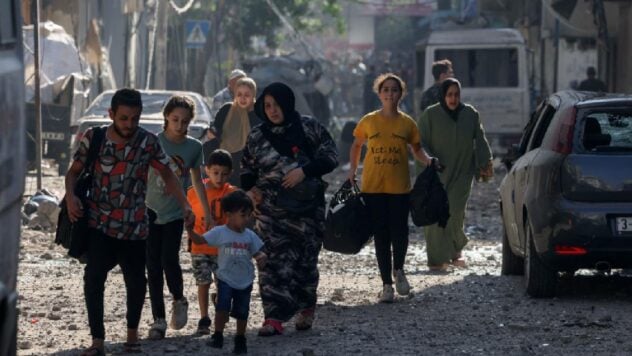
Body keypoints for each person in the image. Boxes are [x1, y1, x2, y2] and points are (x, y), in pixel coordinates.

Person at [64, 88, 194, 356]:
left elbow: (168, 174)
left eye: (135, 119)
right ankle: (97, 341)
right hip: (100, 224)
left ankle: (132, 338)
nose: (129, 125)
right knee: (93, 278)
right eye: (124, 118)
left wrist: (185, 205)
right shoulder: (95, 137)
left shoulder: (147, 142)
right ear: (111, 114)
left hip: (135, 226)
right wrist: (70, 197)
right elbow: (73, 173)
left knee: (136, 282)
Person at [241, 82, 338, 336]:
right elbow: (247, 169)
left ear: (287, 103)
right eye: (267, 106)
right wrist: (251, 191)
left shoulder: (309, 127)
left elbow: (330, 157)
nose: (272, 110)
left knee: (304, 262)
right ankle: (273, 317)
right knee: (270, 262)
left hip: (307, 210)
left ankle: (306, 307)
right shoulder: (257, 135)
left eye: (277, 105)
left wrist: (304, 171)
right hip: (270, 211)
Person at [348, 73, 437, 303]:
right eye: (386, 89)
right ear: (379, 94)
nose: (390, 93)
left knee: (400, 232)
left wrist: (429, 160)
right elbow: (357, 145)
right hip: (373, 187)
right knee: (380, 235)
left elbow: (416, 150)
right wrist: (352, 171)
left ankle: (399, 270)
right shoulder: (368, 121)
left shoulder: (407, 123)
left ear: (401, 94)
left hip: (399, 188)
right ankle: (386, 284)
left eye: (394, 90)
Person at [145, 95, 212, 340]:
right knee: (151, 265)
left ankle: (178, 298)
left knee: (168, 259)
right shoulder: (153, 142)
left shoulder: (194, 147)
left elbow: (197, 181)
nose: (180, 125)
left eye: (185, 121)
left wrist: (204, 211)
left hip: (176, 211)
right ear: (166, 117)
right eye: (175, 119)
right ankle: (159, 320)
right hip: (149, 209)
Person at [417, 78, 493, 271]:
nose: (453, 99)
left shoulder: (470, 114)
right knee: (436, 214)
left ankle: (455, 250)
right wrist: (429, 160)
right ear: (443, 96)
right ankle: (436, 259)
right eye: (449, 95)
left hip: (462, 172)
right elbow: (420, 142)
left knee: (455, 211)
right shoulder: (430, 114)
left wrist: (485, 163)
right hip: (437, 173)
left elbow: (480, 139)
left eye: (456, 95)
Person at [186, 190, 266, 355]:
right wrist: (190, 230)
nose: (247, 219)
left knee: (243, 312)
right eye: (243, 215)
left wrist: (260, 256)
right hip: (225, 279)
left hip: (245, 281)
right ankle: (218, 335)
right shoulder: (220, 232)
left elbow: (256, 251)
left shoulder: (250, 236)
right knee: (222, 308)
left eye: (249, 215)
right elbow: (200, 240)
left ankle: (240, 338)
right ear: (229, 214)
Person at [186, 149, 238, 335]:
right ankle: (203, 317)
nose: (219, 177)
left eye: (224, 174)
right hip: (200, 247)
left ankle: (219, 305)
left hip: (222, 249)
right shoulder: (193, 192)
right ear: (206, 170)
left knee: (224, 282)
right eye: (215, 172)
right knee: (203, 282)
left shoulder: (231, 193)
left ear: (230, 173)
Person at [212, 77, 262, 186]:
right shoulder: (227, 110)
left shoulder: (260, 114)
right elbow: (215, 130)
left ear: (253, 95)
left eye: (247, 95)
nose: (242, 99)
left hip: (250, 167)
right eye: (239, 94)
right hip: (226, 167)